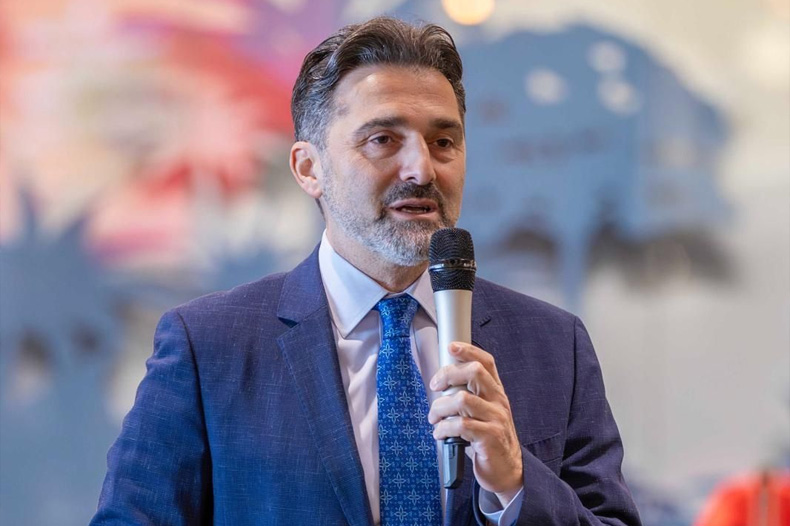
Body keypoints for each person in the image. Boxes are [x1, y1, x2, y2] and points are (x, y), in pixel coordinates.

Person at [91, 16, 641, 526]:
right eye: (383, 140)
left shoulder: (553, 345)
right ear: (309, 168)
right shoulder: (209, 346)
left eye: (443, 142)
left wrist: (516, 484)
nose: (421, 169)